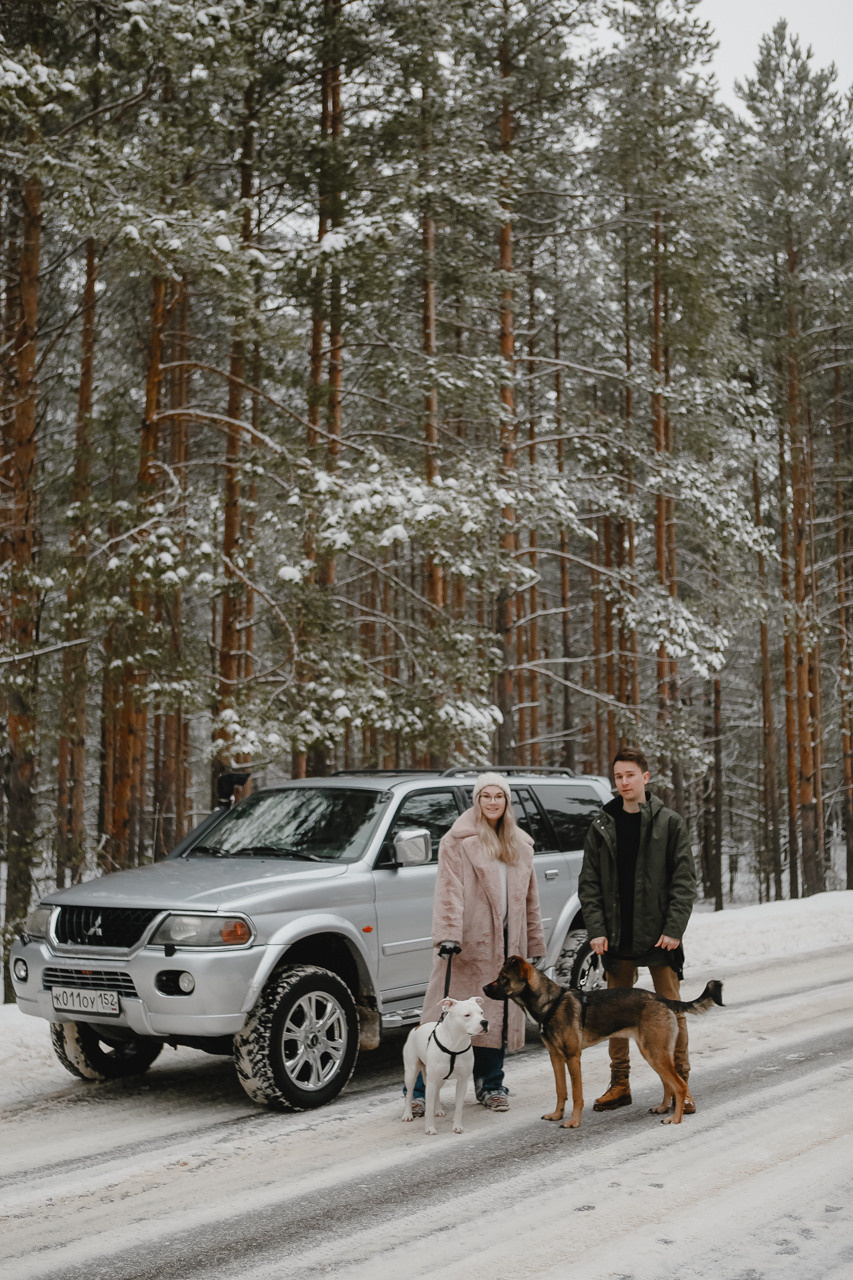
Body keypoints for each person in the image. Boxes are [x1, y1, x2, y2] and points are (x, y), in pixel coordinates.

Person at [416, 771, 546, 1114]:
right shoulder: (457, 842)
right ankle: (417, 1090)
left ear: (506, 802)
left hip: (507, 947)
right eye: (485, 796)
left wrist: (534, 942)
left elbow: (530, 899)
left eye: (498, 796)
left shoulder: (522, 846)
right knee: (443, 1018)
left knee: (495, 1017)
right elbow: (448, 892)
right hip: (467, 946)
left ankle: (491, 1085)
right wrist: (448, 936)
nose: (492, 802)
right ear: (477, 801)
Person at [578, 747, 698, 1114]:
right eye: (618, 777)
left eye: (630, 775)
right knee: (614, 1013)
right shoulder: (602, 826)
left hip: (659, 936)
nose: (624, 782)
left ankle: (682, 1086)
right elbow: (590, 884)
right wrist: (596, 929)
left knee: (671, 1009)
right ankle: (620, 1083)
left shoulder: (669, 823)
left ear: (646, 777)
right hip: (616, 939)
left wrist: (674, 929)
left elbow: (684, 882)